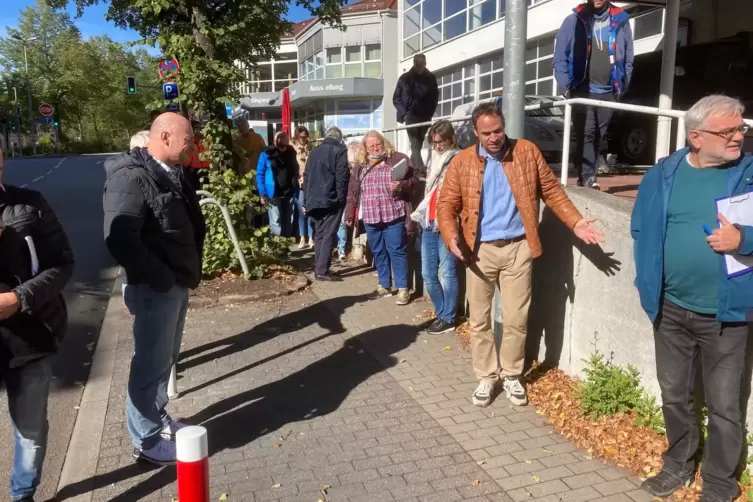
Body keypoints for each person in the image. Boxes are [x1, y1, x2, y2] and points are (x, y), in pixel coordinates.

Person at [436, 102, 604, 408]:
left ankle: (512, 374)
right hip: (479, 251)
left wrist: (575, 221)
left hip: (518, 248)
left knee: (516, 317)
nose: (494, 137)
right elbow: (446, 204)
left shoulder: (526, 152)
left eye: (498, 130)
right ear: (476, 132)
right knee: (479, 319)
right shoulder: (462, 162)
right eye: (486, 133)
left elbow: (551, 190)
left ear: (504, 127)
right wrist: (450, 236)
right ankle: (487, 377)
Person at [631, 95, 752, 502]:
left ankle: (720, 483)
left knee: (723, 405)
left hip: (726, 314)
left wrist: (743, 240)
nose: (739, 136)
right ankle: (678, 465)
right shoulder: (662, 173)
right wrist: (647, 281)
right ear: (696, 137)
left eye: (742, 128)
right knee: (674, 394)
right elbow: (640, 229)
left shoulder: (750, 173)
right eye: (730, 131)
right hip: (670, 308)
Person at [103, 112, 206, 466]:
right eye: (187, 139)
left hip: (174, 283)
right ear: (164, 137)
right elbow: (120, 240)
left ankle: (158, 419)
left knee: (164, 363)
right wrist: (162, 277)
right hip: (156, 288)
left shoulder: (170, 172)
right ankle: (146, 441)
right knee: (149, 366)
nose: (192, 146)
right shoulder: (131, 178)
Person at [0, 147, 74, 502]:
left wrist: (20, 298)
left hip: (30, 340)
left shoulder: (29, 204)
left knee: (29, 430)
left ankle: (22, 494)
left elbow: (62, 264)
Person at [553, 0, 634, 189]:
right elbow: (559, 57)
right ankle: (589, 177)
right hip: (583, 90)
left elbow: (629, 55)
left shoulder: (621, 20)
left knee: (599, 135)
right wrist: (566, 86)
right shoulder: (573, 21)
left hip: (609, 91)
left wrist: (623, 85)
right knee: (587, 133)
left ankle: (586, 175)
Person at [345, 131, 417, 305]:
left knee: (397, 251)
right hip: (371, 217)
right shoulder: (360, 165)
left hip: (394, 215)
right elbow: (353, 191)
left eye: (379, 144)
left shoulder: (398, 158)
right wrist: (349, 212)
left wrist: (402, 185)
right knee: (378, 251)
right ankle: (384, 286)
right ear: (365, 148)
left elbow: (416, 181)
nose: (376, 148)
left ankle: (402, 288)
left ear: (384, 143)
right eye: (372, 146)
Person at [410, 120, 460, 335]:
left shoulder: (458, 158)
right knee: (428, 273)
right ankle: (442, 314)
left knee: (447, 272)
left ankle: (448, 318)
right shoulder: (433, 158)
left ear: (451, 139)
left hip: (448, 221)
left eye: (442, 142)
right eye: (434, 142)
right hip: (429, 220)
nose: (438, 146)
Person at [303, 127, 350, 281]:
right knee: (329, 234)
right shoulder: (340, 150)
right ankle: (322, 270)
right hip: (331, 200)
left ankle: (319, 268)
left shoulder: (314, 151)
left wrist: (306, 201)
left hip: (313, 199)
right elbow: (342, 178)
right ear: (339, 138)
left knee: (319, 234)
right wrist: (342, 200)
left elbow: (306, 176)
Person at [392, 54, 439, 176]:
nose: (419, 67)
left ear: (425, 64)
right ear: (414, 63)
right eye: (417, 65)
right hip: (411, 116)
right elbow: (396, 98)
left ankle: (413, 167)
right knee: (415, 143)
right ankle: (420, 170)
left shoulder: (431, 79)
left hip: (424, 116)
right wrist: (405, 113)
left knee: (419, 141)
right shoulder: (404, 78)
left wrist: (429, 114)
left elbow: (434, 99)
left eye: (421, 65)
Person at [256, 131, 298, 237]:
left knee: (288, 220)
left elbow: (295, 169)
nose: (283, 148)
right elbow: (260, 174)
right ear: (275, 142)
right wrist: (263, 193)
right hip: (273, 192)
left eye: (285, 145)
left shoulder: (291, 152)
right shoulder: (266, 154)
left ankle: (285, 245)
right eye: (281, 145)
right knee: (275, 221)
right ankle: (277, 246)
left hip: (289, 191)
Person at [292, 126, 314, 249]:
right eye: (301, 137)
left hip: (310, 182)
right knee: (301, 211)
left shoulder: (310, 147)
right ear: (297, 136)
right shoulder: (293, 147)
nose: (304, 139)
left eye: (305, 137)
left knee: (310, 209)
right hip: (299, 182)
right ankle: (302, 237)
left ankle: (311, 237)